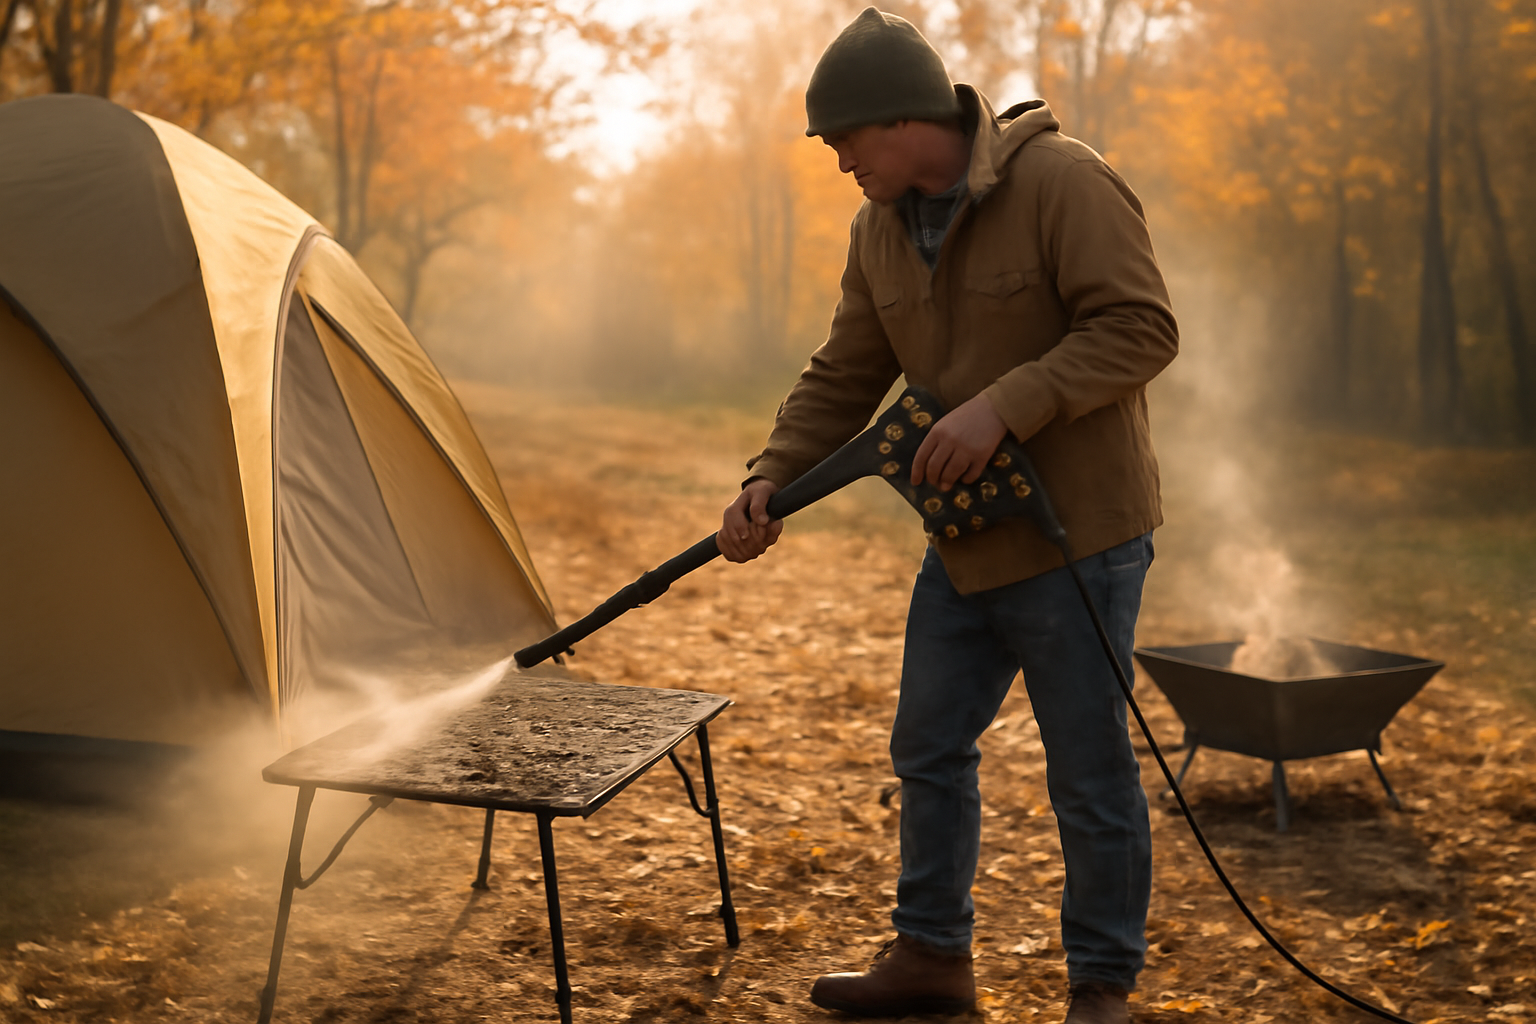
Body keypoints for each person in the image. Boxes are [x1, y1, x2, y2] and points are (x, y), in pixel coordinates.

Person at [717, 7, 1179, 1023]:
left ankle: (1102, 986)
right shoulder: (877, 230)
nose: (838, 163)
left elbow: (1141, 329)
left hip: (1081, 541)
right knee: (927, 747)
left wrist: (1005, 404)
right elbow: (846, 368)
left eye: (842, 140)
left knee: (1088, 773)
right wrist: (771, 474)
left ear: (895, 119)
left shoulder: (1064, 183)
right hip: (965, 544)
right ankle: (931, 957)